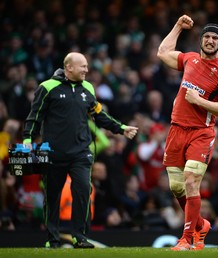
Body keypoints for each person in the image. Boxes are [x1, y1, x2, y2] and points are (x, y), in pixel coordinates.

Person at [22, 52, 138, 248]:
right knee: (52, 196)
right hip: (52, 153)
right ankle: (53, 239)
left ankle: (79, 237)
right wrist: (27, 138)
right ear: (69, 67)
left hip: (81, 152)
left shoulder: (88, 88)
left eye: (86, 66)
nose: (86, 69)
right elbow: (35, 116)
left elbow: (99, 114)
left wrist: (121, 128)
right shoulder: (47, 87)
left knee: (84, 190)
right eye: (82, 66)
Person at [157, 15, 218, 251]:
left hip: (201, 133)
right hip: (176, 130)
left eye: (215, 38)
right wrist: (178, 27)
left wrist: (199, 101)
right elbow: (163, 52)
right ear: (201, 40)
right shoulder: (190, 59)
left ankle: (187, 239)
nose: (211, 41)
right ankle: (201, 224)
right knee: (176, 187)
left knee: (191, 181)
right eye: (207, 37)